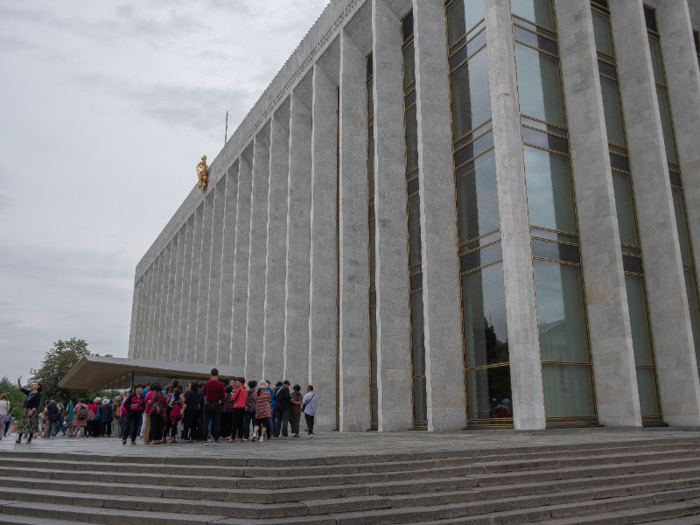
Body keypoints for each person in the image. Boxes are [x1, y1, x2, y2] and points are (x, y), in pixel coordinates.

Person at [15, 377, 42, 444]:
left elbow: (37, 403)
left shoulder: (38, 394)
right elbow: (21, 389)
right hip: (26, 409)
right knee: (23, 423)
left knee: (31, 424)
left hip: (32, 410)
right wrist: (19, 383)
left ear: (38, 387)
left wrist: (32, 411)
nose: (34, 385)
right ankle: (19, 438)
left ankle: (29, 438)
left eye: (35, 384)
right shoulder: (30, 392)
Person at [202, 368, 225, 443]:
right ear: (218, 374)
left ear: (210, 374)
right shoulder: (220, 384)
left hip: (208, 403)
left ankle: (205, 439)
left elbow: (203, 393)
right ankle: (216, 438)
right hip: (216, 404)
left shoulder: (206, 383)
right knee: (216, 422)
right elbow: (223, 395)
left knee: (206, 422)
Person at [228, 377, 247, 443]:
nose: (236, 382)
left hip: (236, 407)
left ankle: (233, 438)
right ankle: (241, 437)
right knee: (241, 423)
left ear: (240, 382)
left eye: (237, 381)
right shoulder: (245, 390)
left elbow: (233, 397)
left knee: (235, 423)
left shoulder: (238, 389)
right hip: (243, 407)